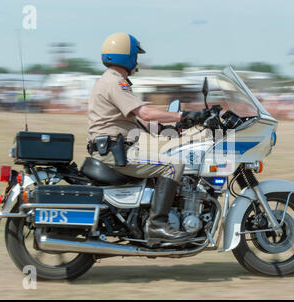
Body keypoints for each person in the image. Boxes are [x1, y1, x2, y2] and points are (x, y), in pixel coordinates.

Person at [87, 33, 206, 242]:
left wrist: (167, 128)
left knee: (166, 162)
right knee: (173, 166)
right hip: (116, 153)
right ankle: (158, 225)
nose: (137, 61)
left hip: (114, 149)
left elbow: (140, 121)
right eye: (135, 56)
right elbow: (145, 113)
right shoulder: (116, 82)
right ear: (128, 56)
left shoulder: (109, 81)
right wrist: (183, 115)